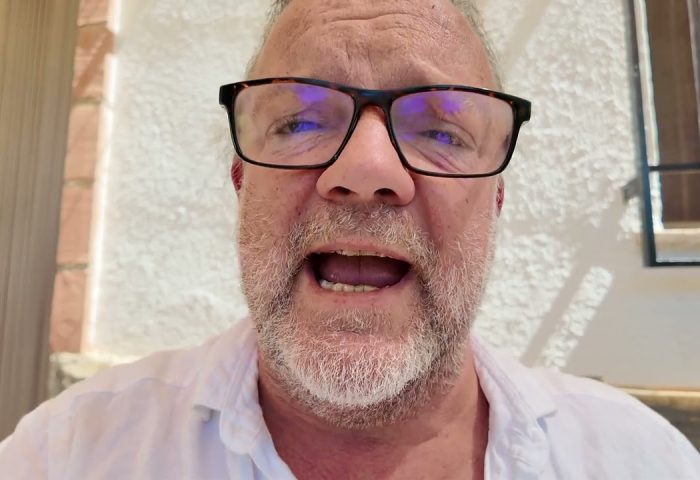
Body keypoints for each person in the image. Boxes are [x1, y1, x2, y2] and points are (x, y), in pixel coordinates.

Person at [2, 0, 699, 478]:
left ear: (495, 200)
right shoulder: (67, 455)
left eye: (440, 130)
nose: (366, 172)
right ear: (242, 184)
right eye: (300, 122)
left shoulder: (639, 460)